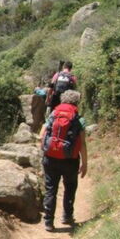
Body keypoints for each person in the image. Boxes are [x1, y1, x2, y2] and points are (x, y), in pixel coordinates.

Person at [40, 89, 87, 231]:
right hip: (70, 160)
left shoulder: (53, 115)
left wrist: (47, 149)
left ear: (62, 100)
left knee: (50, 189)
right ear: (77, 102)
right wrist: (85, 163)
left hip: (50, 158)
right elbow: (83, 144)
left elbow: (42, 135)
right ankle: (67, 216)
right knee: (70, 187)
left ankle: (48, 222)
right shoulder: (79, 119)